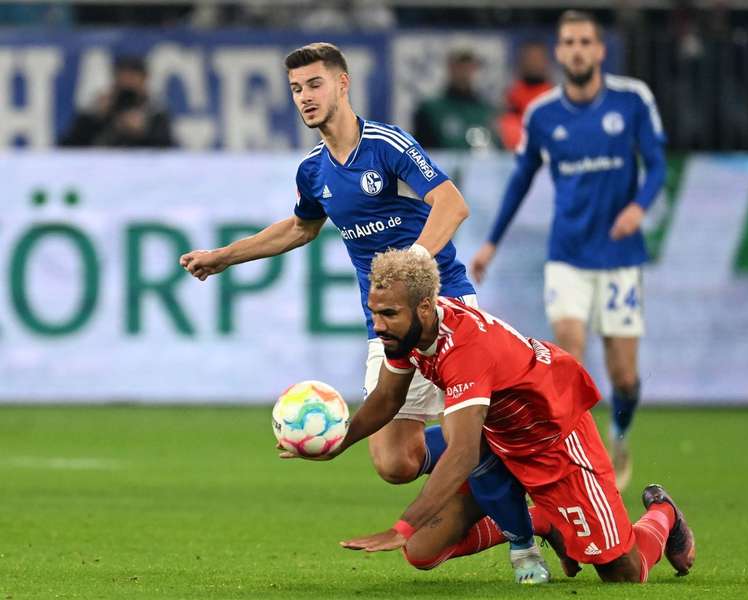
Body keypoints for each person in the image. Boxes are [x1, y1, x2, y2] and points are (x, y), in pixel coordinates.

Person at [179, 42, 547, 584]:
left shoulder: (387, 146)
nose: (305, 97)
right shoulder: (314, 171)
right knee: (395, 462)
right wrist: (223, 257)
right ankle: (493, 446)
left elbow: (452, 203)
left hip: (445, 311)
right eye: (297, 89)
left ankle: (523, 547)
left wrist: (414, 267)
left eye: (315, 85)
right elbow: (300, 227)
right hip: (390, 329)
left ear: (343, 84)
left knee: (464, 435)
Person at [300, 248, 695, 584]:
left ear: (424, 306)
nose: (379, 325)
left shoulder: (466, 349)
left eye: (387, 314)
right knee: (421, 552)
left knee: (622, 571)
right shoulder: (407, 330)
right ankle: (539, 519)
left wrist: (400, 526)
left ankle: (664, 514)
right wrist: (338, 442)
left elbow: (463, 454)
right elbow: (387, 398)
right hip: (501, 437)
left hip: (554, 439)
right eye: (375, 313)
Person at [469, 10, 667, 490]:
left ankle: (619, 433)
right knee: (569, 355)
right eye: (569, 42)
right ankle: (578, 458)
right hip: (567, 257)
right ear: (559, 53)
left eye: (585, 42)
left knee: (623, 376)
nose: (577, 50)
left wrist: (640, 206)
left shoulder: (633, 99)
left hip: (620, 259)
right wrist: (491, 243)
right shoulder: (543, 115)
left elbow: (657, 163)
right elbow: (520, 182)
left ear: (599, 51)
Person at [59, 55, 174, 148]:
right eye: (122, 78)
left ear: (144, 80)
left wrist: (143, 133)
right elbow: (67, 147)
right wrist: (97, 119)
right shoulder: (96, 111)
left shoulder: (155, 113)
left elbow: (169, 150)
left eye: (132, 78)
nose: (126, 83)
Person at [412, 48, 498, 150]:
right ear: (450, 68)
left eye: (469, 66)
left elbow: (497, 151)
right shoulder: (431, 109)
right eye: (459, 66)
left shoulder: (486, 110)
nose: (464, 72)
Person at [497, 40, 554, 151]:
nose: (533, 63)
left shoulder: (554, 96)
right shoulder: (510, 96)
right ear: (521, 62)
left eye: (537, 58)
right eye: (529, 58)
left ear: (546, 62)